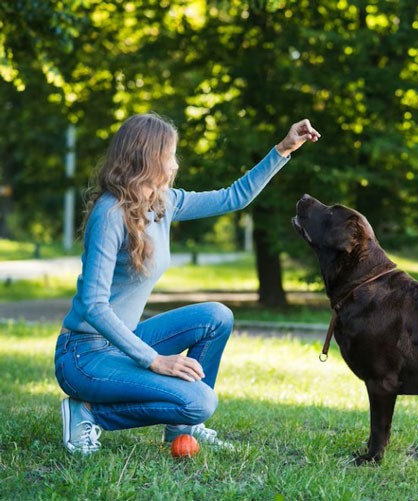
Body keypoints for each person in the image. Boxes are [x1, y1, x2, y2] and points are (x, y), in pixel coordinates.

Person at [54, 112, 320, 454]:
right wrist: (154, 360)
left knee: (216, 316)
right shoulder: (110, 214)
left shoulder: (162, 203)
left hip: (122, 342)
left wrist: (284, 149)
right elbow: (93, 306)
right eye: (170, 155)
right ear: (148, 158)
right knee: (201, 400)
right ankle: (86, 411)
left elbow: (233, 197)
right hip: (83, 355)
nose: (175, 164)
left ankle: (183, 425)